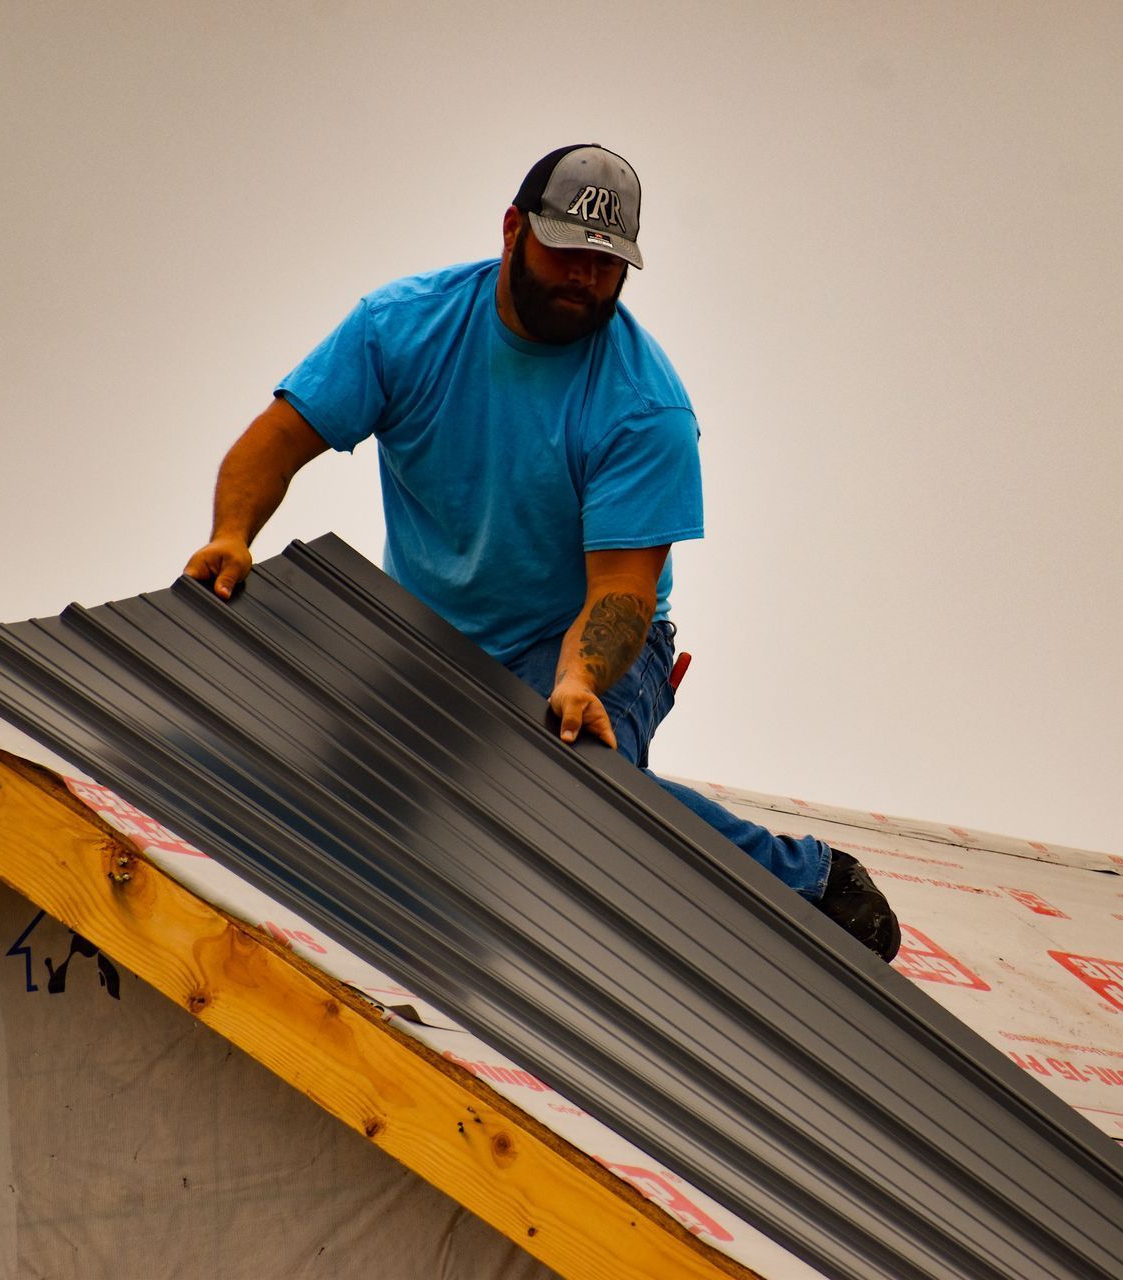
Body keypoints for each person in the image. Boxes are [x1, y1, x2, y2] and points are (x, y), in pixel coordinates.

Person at [185, 144, 900, 960]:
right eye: (566, 251)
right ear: (513, 229)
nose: (584, 278)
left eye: (605, 263)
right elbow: (274, 443)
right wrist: (232, 534)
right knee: (352, 794)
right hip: (432, 643)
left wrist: (578, 680)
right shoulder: (402, 328)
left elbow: (625, 591)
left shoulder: (643, 406)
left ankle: (809, 882)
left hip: (589, 643)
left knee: (560, 781)